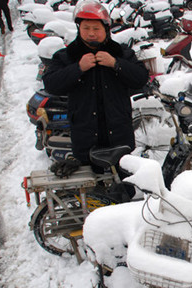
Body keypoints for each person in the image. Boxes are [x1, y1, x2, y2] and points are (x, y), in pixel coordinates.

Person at [43, 0, 149, 183]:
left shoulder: (121, 53)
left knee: (125, 187)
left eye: (96, 28)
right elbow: (51, 84)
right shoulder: (67, 56)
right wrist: (78, 68)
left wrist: (116, 64)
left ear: (106, 29)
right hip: (85, 138)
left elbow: (141, 77)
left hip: (119, 136)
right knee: (93, 189)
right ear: (79, 28)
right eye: (86, 28)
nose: (91, 33)